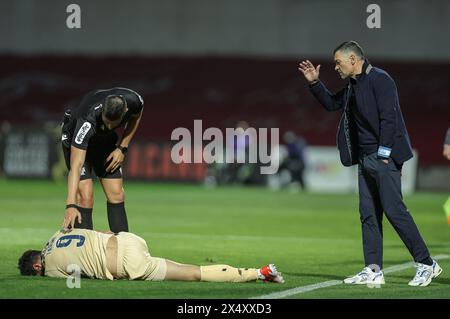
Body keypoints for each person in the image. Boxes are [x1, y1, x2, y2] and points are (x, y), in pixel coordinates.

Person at [298, 41, 442, 287]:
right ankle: (373, 269)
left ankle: (427, 264)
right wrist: (314, 82)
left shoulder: (381, 80)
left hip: (383, 157)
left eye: (338, 62)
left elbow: (390, 117)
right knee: (368, 215)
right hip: (365, 159)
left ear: (353, 59)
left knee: (395, 211)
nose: (335, 67)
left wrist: (384, 154)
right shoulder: (353, 86)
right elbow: (332, 104)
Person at [17, 229, 284, 284]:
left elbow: (76, 277)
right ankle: (263, 272)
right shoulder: (56, 235)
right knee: (186, 269)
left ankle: (258, 273)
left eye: (37, 271)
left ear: (37, 264)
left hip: (125, 264)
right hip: (126, 239)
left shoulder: (50, 268)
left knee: (192, 272)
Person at [60, 88, 144, 233]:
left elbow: (136, 117)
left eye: (114, 123)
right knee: (85, 196)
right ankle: (84, 250)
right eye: (107, 121)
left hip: (104, 142)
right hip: (76, 140)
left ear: (125, 111)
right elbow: (77, 166)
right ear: (103, 110)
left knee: (117, 194)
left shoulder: (134, 101)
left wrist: (122, 147)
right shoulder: (87, 121)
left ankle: (122, 248)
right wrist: (70, 205)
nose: (110, 126)